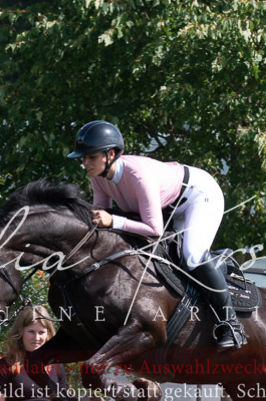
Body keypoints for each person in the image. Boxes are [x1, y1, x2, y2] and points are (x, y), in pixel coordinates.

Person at [68, 120, 247, 348]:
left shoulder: (138, 176)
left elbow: (154, 230)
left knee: (191, 256)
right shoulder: (99, 178)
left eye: (90, 157)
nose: (85, 163)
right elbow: (102, 215)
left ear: (110, 154)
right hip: (169, 206)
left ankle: (230, 325)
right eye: (83, 158)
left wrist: (113, 220)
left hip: (197, 196)